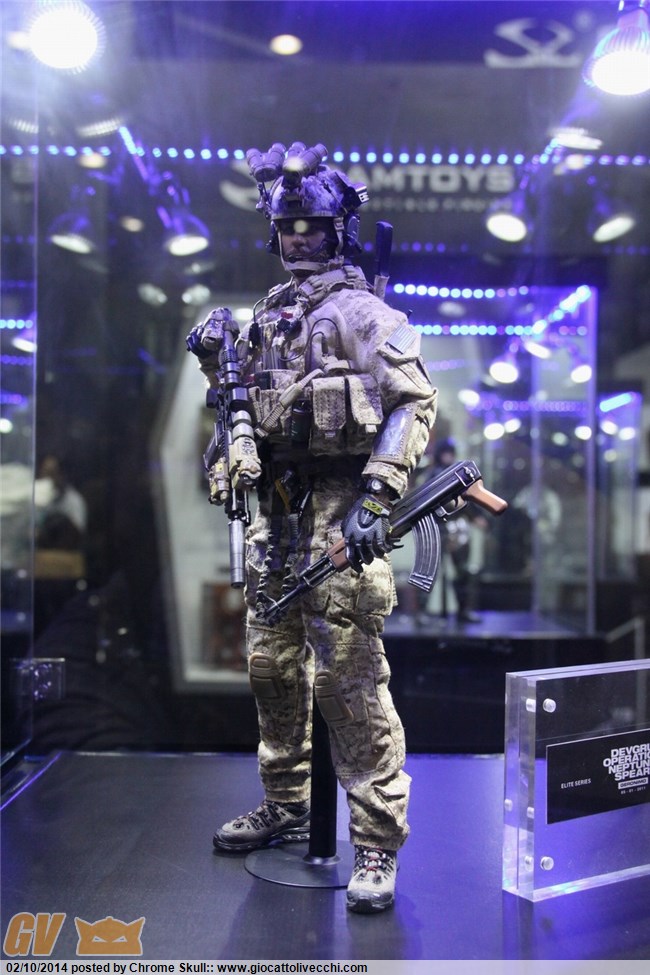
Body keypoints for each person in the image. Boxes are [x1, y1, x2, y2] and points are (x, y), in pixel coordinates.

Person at [187, 141, 437, 913]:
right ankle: (288, 803)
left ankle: (374, 839)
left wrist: (377, 495)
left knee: (349, 679)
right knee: (271, 667)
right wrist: (227, 452)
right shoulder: (267, 318)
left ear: (337, 231)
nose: (298, 238)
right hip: (278, 508)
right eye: (288, 227)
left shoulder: (363, 315)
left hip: (339, 503)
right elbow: (243, 409)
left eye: (313, 226)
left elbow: (413, 403)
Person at [421, 438, 486, 624]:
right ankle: (423, 613)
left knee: (462, 572)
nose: (448, 457)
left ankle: (463, 611)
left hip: (458, 529)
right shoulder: (432, 476)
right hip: (437, 528)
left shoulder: (459, 476)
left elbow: (468, 499)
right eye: (445, 453)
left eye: (450, 453)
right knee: (429, 572)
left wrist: (476, 517)